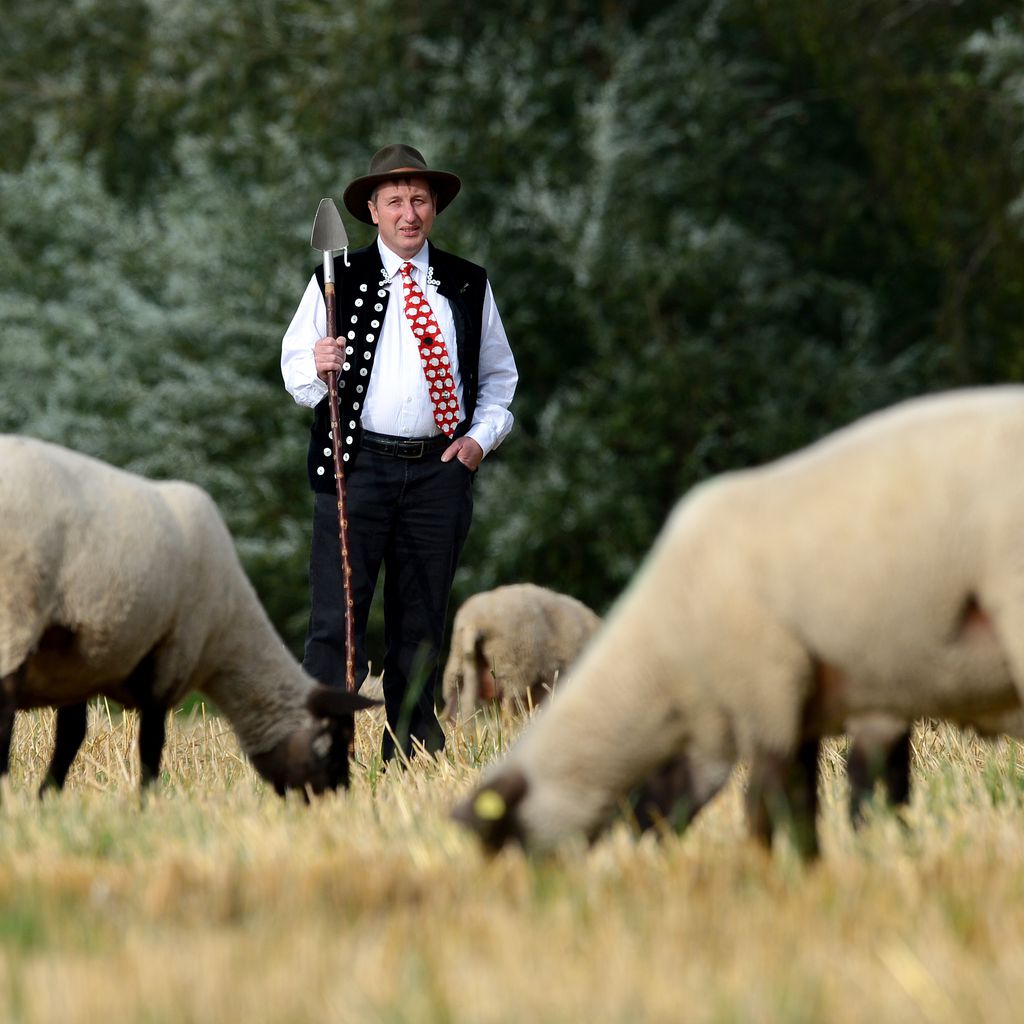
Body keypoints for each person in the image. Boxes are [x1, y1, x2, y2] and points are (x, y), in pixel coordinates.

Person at [281, 143, 518, 761]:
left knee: (421, 621)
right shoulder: (338, 279)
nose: (408, 213)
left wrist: (477, 442)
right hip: (355, 468)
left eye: (419, 199)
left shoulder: (468, 282)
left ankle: (413, 745)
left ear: (434, 207)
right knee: (339, 618)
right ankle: (323, 743)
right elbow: (294, 370)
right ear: (373, 212)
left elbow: (499, 377)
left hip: (440, 471)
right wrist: (318, 362)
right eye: (395, 202)